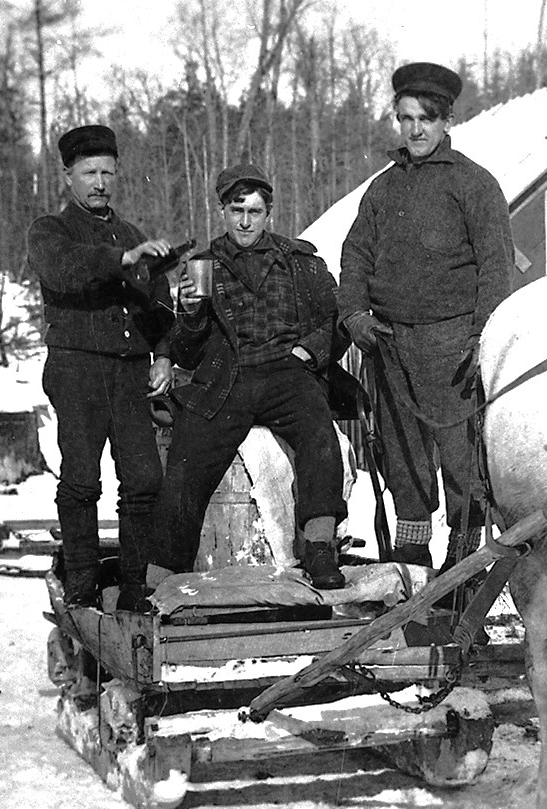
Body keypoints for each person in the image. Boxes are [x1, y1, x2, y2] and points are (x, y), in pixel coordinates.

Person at [338, 61, 515, 573]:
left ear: (446, 121)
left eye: (426, 119)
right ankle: (412, 574)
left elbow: (496, 269)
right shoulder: (382, 190)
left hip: (454, 349)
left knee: (465, 465)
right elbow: (355, 258)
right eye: (406, 118)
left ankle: (462, 578)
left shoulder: (474, 185)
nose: (415, 129)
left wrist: (481, 337)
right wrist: (354, 316)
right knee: (404, 463)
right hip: (390, 348)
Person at [152, 163, 349, 590]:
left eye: (254, 211)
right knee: (190, 448)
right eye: (236, 209)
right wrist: (188, 312)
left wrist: (308, 352)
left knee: (318, 430)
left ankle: (318, 547)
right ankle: (164, 572)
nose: (245, 221)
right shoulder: (201, 266)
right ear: (222, 210)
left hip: (288, 373)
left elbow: (337, 318)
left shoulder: (300, 262)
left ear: (269, 213)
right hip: (229, 379)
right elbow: (186, 352)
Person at [27, 124, 178, 612]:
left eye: (108, 173)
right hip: (77, 371)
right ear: (67, 175)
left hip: (131, 374)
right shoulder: (51, 230)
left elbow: (159, 307)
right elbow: (63, 269)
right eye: (89, 172)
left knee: (143, 479)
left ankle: (133, 585)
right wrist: (122, 259)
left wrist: (164, 355)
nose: (99, 183)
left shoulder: (133, 235)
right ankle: (82, 580)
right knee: (81, 479)